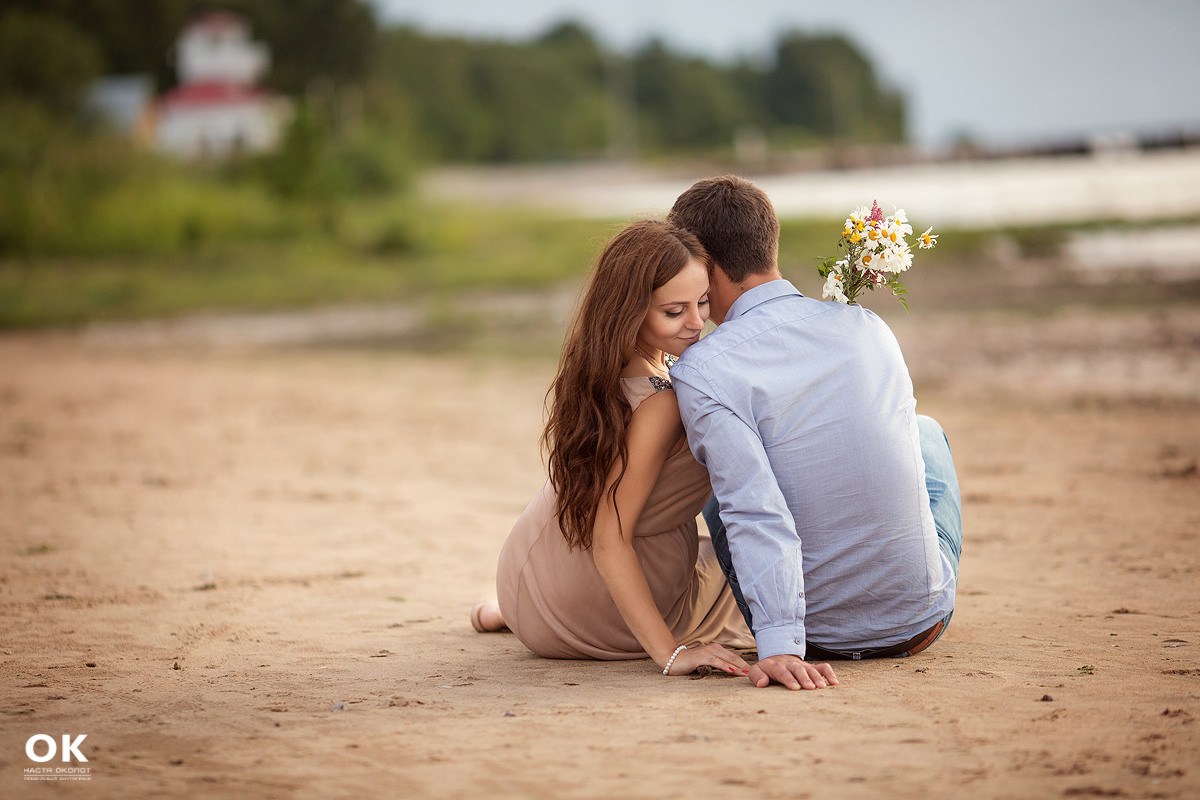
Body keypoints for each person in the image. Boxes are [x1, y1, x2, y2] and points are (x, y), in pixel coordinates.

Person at [666, 176, 964, 691]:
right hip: (920, 622)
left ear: (705, 267)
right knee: (925, 434)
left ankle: (787, 614)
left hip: (814, 637)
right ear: (769, 244)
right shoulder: (868, 326)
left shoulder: (704, 369)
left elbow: (751, 505)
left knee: (723, 491)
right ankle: (903, 579)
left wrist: (781, 645)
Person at [471, 220, 755, 677]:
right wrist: (670, 653)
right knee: (747, 569)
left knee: (715, 549)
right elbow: (609, 538)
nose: (698, 322)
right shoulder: (659, 402)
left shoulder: (602, 371)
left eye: (703, 302)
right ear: (631, 312)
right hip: (591, 609)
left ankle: (502, 612)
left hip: (529, 579)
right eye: (674, 311)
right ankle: (526, 615)